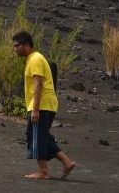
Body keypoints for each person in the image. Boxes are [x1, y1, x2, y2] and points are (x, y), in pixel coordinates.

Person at [13, 31, 76, 180]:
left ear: (27, 45)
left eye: (17, 46)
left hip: (42, 104)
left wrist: (35, 109)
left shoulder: (35, 59)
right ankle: (66, 162)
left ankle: (43, 171)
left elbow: (38, 84)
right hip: (46, 104)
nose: (14, 49)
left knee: (36, 136)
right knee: (41, 136)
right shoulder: (33, 59)